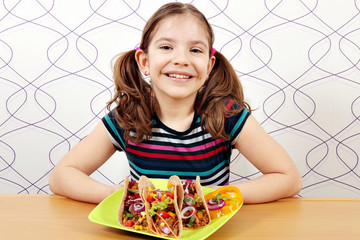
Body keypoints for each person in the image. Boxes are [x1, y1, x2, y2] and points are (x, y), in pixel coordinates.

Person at [49, 2, 302, 204]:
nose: (181, 59)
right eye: (167, 47)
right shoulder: (127, 118)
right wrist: (123, 197)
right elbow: (62, 176)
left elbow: (288, 178)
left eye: (195, 50)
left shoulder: (226, 116)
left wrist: (215, 196)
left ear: (209, 66)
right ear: (144, 61)